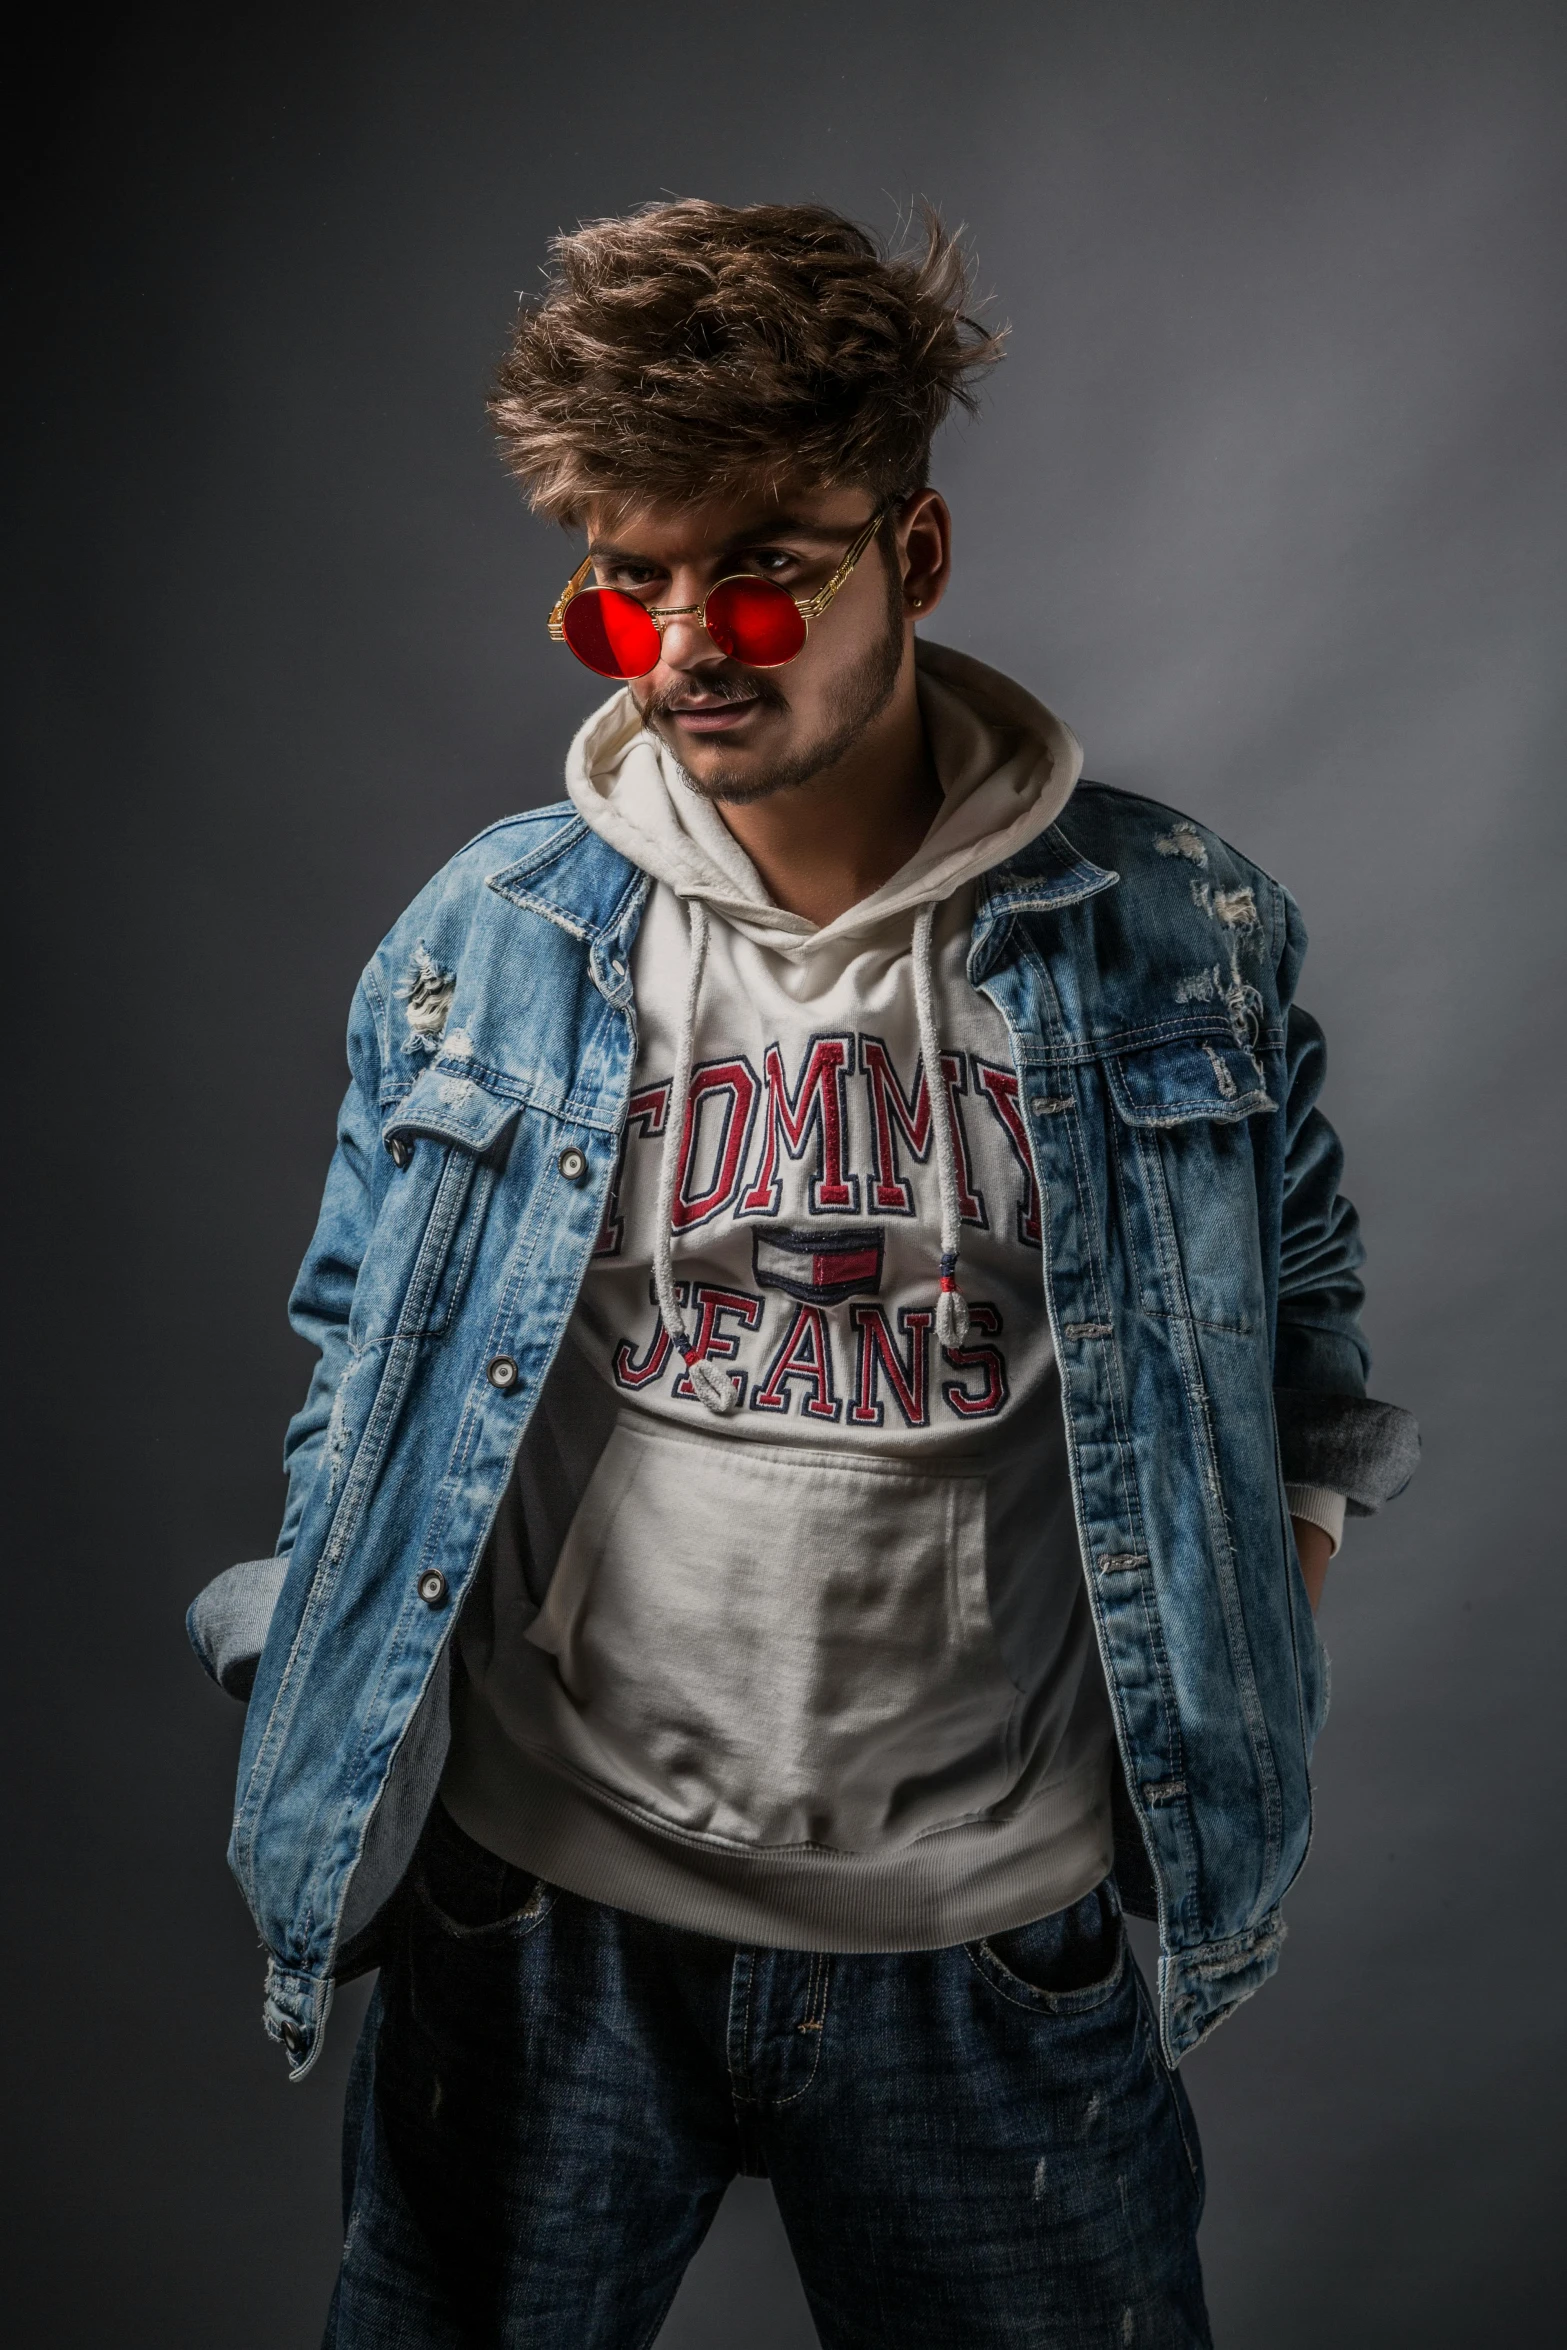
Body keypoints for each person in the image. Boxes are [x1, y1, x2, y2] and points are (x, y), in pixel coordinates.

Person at [188, 200, 1419, 2348]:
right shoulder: (493, 939)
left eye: (761, 569)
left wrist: (1256, 1631)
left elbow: (1298, 1321)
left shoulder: (1176, 930)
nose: (690, 646)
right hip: (539, 1916)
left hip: (990, 1942)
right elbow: (352, 1345)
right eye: (624, 586)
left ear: (914, 559)